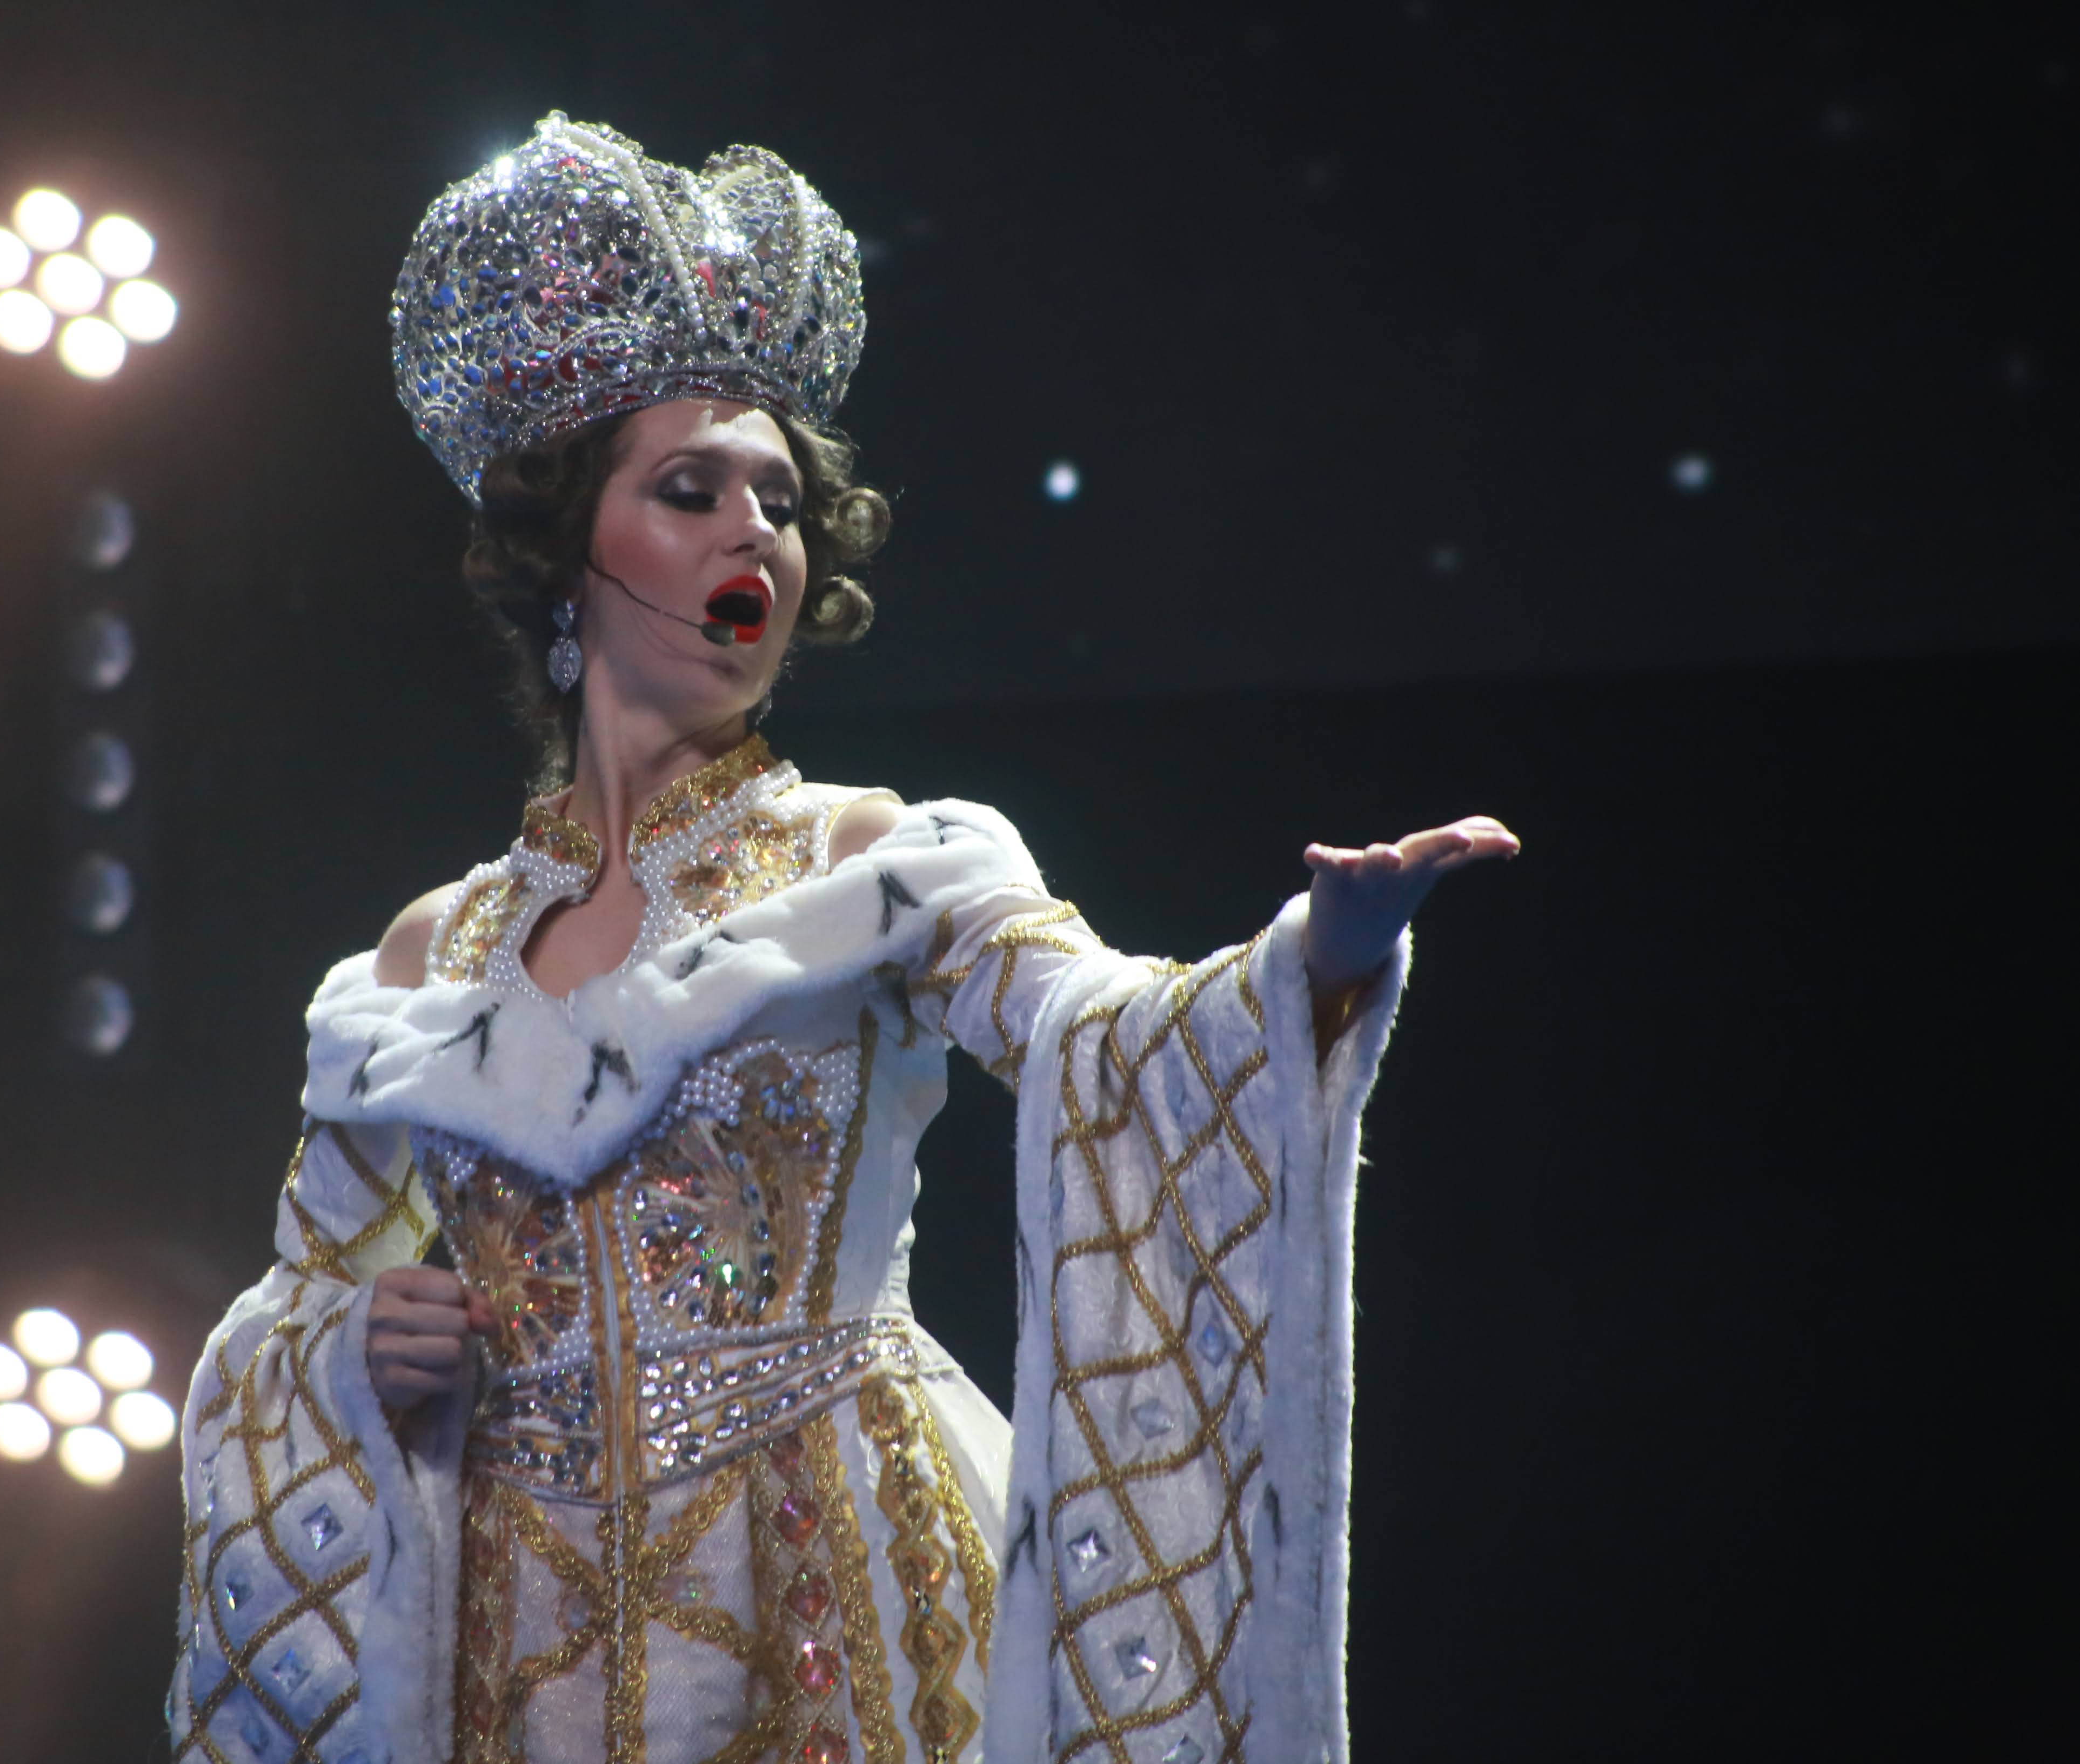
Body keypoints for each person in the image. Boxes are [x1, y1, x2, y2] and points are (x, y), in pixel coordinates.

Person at [170, 114, 1516, 1764]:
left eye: (784, 502)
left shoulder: (872, 862)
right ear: (566, 557)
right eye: (690, 491)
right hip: (516, 1650)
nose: (754, 531)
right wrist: (353, 1349)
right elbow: (302, 1297)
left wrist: (1310, 962)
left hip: (829, 1581)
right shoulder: (427, 957)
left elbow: (1104, 1033)